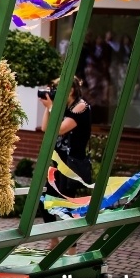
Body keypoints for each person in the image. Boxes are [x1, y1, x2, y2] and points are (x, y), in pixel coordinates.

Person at [38, 76, 92, 253]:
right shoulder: (62, 106)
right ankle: (53, 240)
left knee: (67, 206)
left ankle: (72, 249)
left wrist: (52, 107)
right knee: (45, 201)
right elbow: (46, 129)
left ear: (70, 90)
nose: (54, 91)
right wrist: (48, 108)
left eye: (57, 88)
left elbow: (60, 129)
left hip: (71, 165)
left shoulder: (80, 106)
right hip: (57, 162)